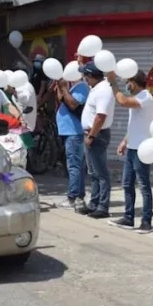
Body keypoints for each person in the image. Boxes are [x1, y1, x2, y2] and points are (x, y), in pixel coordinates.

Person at [106, 69, 153, 232]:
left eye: (128, 82)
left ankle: (146, 221)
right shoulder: (137, 97)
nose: (127, 85)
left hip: (142, 149)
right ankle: (128, 218)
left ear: (134, 82)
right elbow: (135, 123)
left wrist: (113, 83)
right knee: (127, 184)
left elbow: (122, 101)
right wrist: (125, 141)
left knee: (143, 185)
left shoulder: (145, 97)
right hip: (132, 147)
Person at [79, 60, 115, 219]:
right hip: (91, 133)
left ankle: (102, 206)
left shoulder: (103, 90)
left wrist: (92, 135)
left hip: (97, 135)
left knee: (101, 173)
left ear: (91, 76)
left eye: (85, 75)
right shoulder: (96, 88)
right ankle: (94, 203)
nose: (84, 78)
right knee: (93, 172)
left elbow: (100, 116)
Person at [55, 62, 90, 212]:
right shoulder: (74, 87)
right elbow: (62, 99)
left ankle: (72, 198)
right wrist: (60, 85)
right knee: (76, 165)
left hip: (74, 132)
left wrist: (64, 88)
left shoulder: (82, 87)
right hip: (69, 132)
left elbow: (73, 104)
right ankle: (79, 196)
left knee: (74, 165)